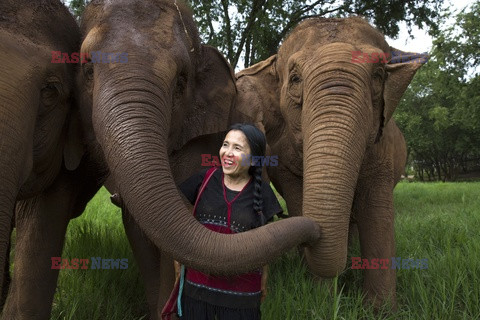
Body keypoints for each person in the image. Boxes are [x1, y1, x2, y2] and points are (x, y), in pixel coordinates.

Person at [176, 123, 283, 320]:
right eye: (225, 145)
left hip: (242, 297)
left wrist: (264, 279)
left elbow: (265, 244)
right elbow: (175, 219)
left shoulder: (263, 192)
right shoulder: (204, 179)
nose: (227, 153)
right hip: (198, 290)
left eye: (237, 148)